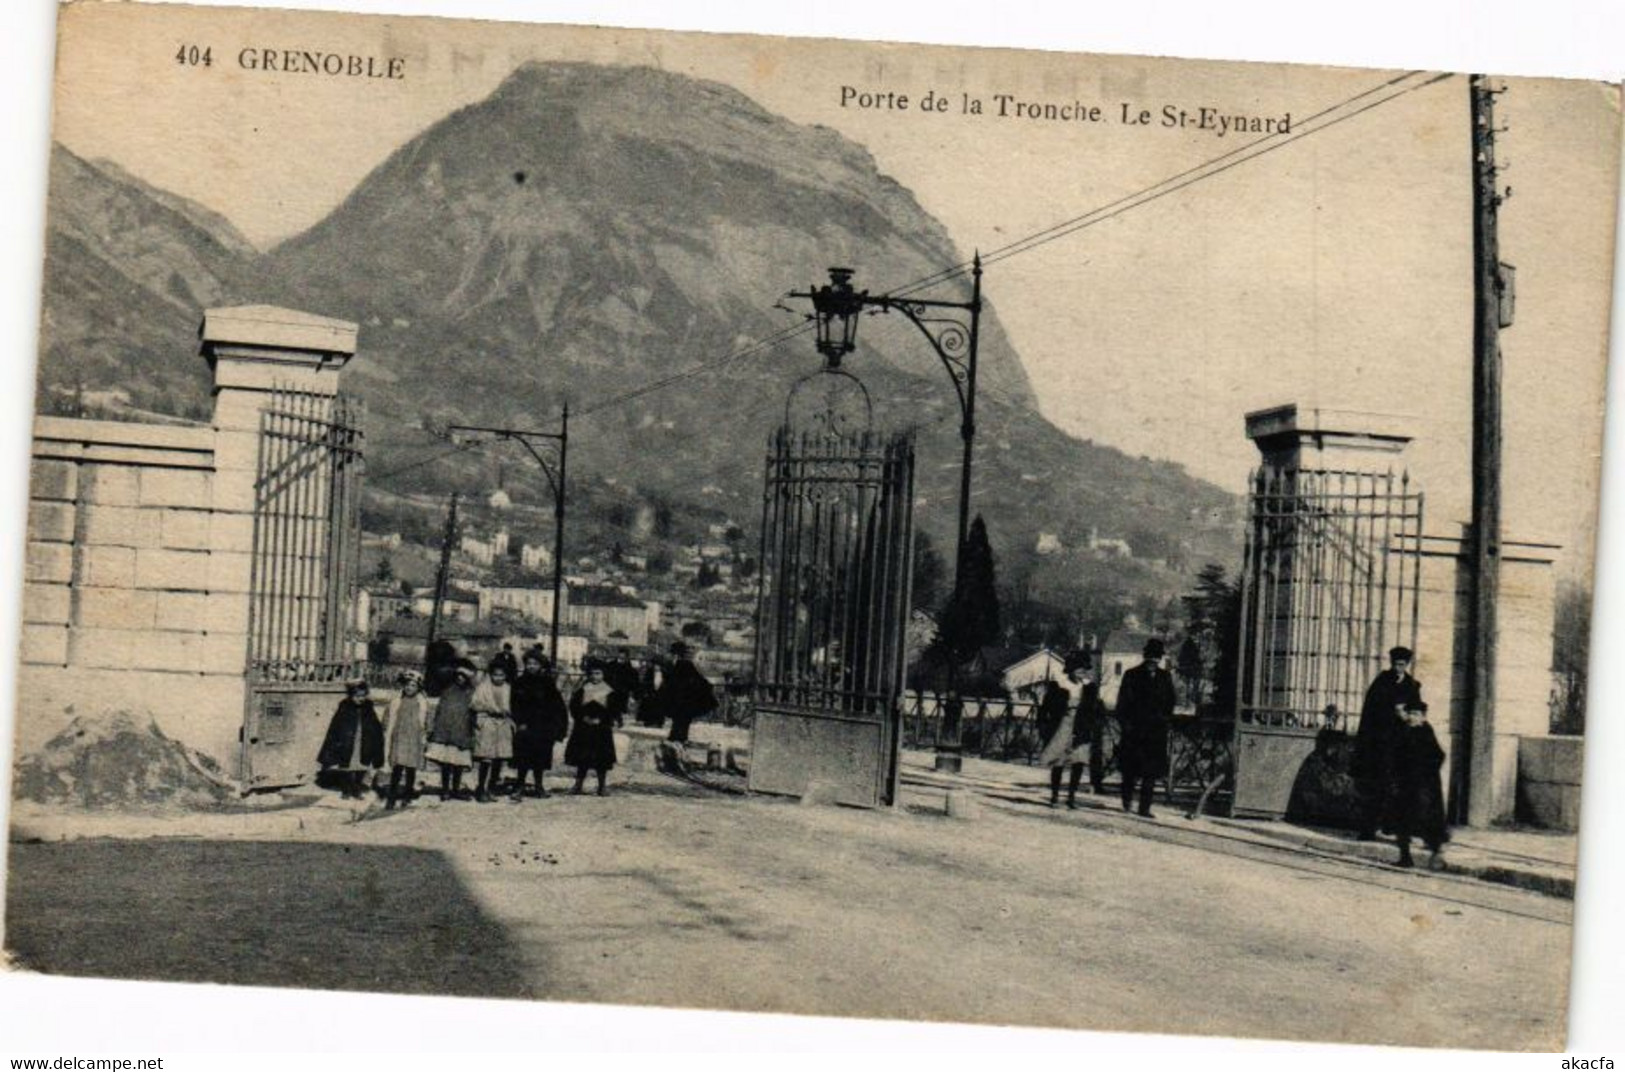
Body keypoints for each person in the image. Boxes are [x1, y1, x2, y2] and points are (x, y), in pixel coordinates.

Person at [1353, 646, 1423, 840]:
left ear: (1407, 665)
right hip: (1380, 745)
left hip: (1402, 746)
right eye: (1395, 664)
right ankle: (1368, 829)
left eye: (1402, 665)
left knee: (1399, 788)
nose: (1398, 668)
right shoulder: (1381, 682)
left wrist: (1410, 716)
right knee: (1376, 786)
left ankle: (1392, 826)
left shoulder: (1412, 686)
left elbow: (1418, 711)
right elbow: (1370, 712)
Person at [1114, 638, 1176, 818]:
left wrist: (1165, 720)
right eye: (1151, 657)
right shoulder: (1132, 675)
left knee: (1151, 771)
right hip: (1135, 731)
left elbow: (1170, 701)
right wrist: (1126, 726)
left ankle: (1144, 808)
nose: (1154, 661)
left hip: (1156, 732)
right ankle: (1127, 800)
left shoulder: (1165, 677)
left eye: (1157, 658)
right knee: (1130, 770)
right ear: (1145, 657)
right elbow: (1122, 703)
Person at [1390, 699, 1449, 869]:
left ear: (1423, 717)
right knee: (1402, 821)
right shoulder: (1402, 732)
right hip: (1404, 784)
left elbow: (1439, 755)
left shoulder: (1426, 731)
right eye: (1410, 714)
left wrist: (1426, 772)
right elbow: (1394, 757)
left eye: (1416, 714)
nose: (1412, 717)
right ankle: (1405, 857)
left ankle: (1437, 856)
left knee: (1427, 820)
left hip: (1424, 785)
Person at [510, 647, 569, 799]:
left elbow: (556, 705)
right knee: (522, 758)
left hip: (542, 727)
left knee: (540, 758)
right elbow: (514, 704)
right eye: (529, 663)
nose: (531, 666)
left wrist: (556, 727)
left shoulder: (547, 683)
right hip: (525, 726)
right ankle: (519, 786)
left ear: (541, 666)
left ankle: (539, 786)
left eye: (535, 664)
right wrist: (519, 722)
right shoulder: (519, 682)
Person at [317, 678, 384, 800]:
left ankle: (356, 788)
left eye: (363, 696)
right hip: (347, 742)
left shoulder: (368, 707)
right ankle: (346, 789)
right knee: (346, 767)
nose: (360, 699)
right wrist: (335, 743)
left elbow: (374, 725)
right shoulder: (344, 706)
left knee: (361, 766)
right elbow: (336, 726)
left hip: (362, 742)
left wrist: (375, 739)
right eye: (357, 696)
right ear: (351, 695)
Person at [566, 665, 624, 795]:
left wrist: (602, 719)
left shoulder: (609, 691)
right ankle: (578, 785)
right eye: (592, 673)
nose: (594, 676)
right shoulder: (583, 689)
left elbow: (614, 709)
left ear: (603, 675)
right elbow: (574, 706)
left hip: (601, 729)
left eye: (598, 673)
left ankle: (602, 786)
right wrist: (583, 717)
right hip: (584, 728)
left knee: (601, 759)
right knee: (582, 758)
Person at [426, 659, 478, 800]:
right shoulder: (448, 691)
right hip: (447, 732)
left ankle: (456, 789)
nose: (460, 679)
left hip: (462, 732)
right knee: (446, 763)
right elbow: (441, 711)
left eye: (464, 677)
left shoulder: (471, 693)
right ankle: (445, 789)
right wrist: (436, 729)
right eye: (458, 676)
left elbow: (474, 712)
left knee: (458, 764)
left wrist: (472, 730)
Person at [1035, 670, 1087, 809]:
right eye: (1078, 670)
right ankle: (1055, 795)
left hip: (1080, 727)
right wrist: (1044, 727)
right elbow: (1046, 707)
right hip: (1062, 725)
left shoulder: (1087, 687)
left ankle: (1071, 797)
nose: (1080, 674)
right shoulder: (1060, 685)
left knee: (1078, 762)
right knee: (1058, 761)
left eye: (1084, 670)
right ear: (1071, 670)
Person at [382, 669, 430, 809]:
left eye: (413, 686)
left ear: (418, 688)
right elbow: (387, 717)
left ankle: (407, 795)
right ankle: (392, 796)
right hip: (399, 737)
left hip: (414, 738)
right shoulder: (396, 701)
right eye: (407, 685)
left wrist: (426, 734)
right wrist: (386, 727)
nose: (409, 688)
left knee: (411, 768)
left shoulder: (422, 703)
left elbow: (425, 721)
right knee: (397, 767)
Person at [655, 641, 717, 745]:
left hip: (684, 699)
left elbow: (696, 679)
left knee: (681, 720)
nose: (670, 655)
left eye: (672, 653)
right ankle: (677, 738)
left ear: (676, 654)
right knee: (680, 720)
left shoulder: (684, 664)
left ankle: (678, 738)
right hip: (679, 699)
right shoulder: (676, 664)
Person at [471, 659, 515, 802]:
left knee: (499, 757)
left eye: (502, 675)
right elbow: (475, 704)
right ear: (491, 675)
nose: (499, 678)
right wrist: (488, 708)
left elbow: (514, 705)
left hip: (503, 724)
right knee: (486, 758)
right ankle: (481, 788)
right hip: (488, 723)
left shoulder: (508, 688)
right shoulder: (483, 687)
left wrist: (507, 712)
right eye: (496, 675)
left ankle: (491, 787)